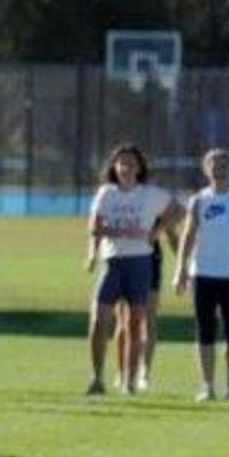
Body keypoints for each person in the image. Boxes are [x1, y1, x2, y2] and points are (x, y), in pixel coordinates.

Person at [85, 142, 179, 396]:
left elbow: (178, 211)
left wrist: (155, 232)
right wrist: (116, 232)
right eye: (121, 163)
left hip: (140, 262)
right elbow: (94, 227)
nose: (126, 167)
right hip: (113, 262)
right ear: (114, 167)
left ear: (139, 168)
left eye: (131, 163)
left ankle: (129, 380)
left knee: (135, 323)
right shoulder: (106, 193)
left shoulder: (150, 194)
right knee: (99, 319)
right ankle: (97, 378)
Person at [172, 147, 229, 401]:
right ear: (205, 169)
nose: (218, 169)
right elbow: (188, 236)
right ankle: (207, 385)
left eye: (223, 164)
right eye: (213, 164)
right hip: (203, 274)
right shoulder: (198, 200)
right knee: (205, 330)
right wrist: (181, 270)